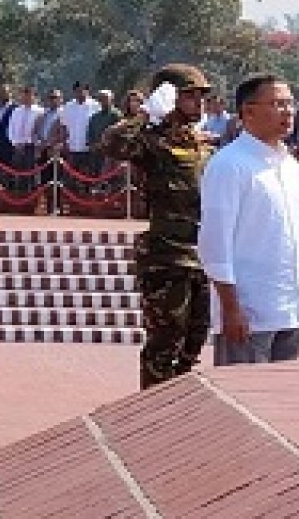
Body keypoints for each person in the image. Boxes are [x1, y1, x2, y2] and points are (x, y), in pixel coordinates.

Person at [101, 64, 216, 389]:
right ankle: (152, 414)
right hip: (167, 258)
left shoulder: (203, 144)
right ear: (170, 97)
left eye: (203, 97)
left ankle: (175, 414)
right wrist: (148, 114)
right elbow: (111, 144)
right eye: (191, 96)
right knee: (165, 344)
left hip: (202, 257)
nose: (200, 103)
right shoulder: (151, 140)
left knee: (194, 343)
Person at [198, 73, 299, 366]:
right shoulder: (229, 165)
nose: (288, 112)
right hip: (249, 311)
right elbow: (215, 242)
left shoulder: (289, 165)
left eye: (290, 104)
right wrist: (230, 307)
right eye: (277, 104)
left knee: (279, 403)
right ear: (248, 111)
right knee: (244, 398)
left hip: (289, 307)